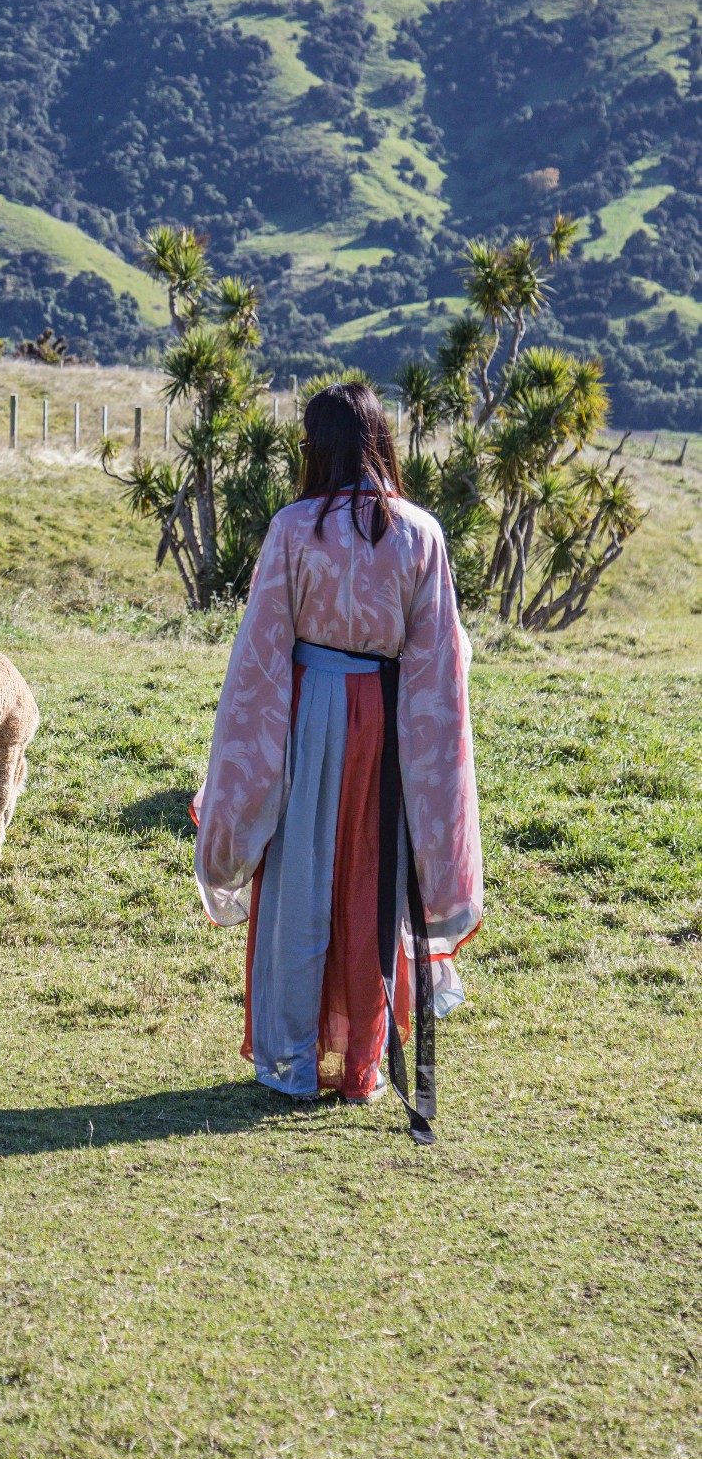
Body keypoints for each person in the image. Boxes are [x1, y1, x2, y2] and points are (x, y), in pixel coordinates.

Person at [193, 382, 482, 1142]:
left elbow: (259, 654)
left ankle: (290, 1061)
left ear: (317, 448)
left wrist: (242, 765)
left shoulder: (293, 528)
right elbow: (440, 668)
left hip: (304, 712)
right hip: (388, 722)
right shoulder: (422, 532)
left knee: (295, 883)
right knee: (372, 884)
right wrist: (428, 777)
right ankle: (361, 1059)